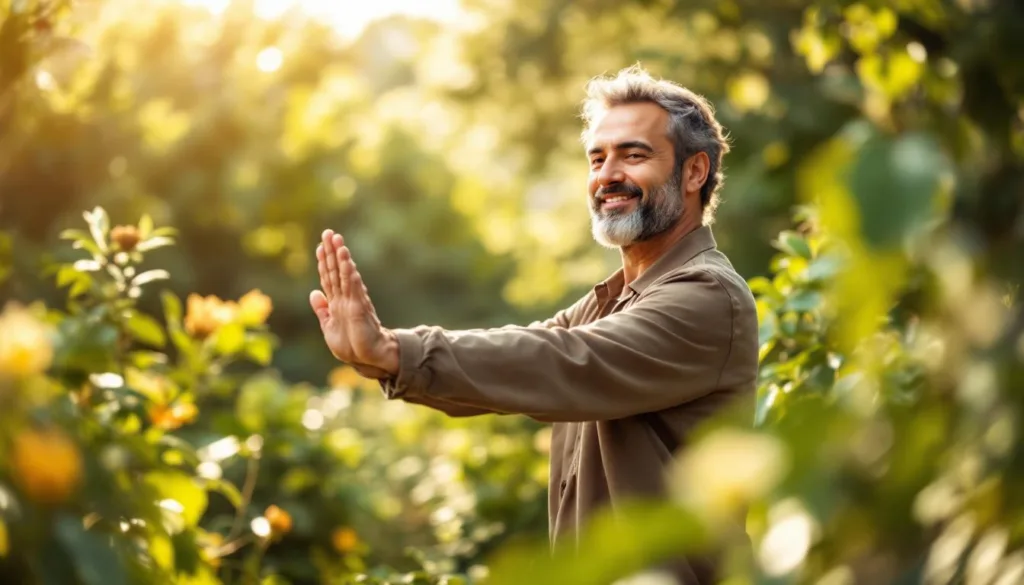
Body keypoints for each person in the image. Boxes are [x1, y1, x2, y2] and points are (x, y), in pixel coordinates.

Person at [309, 65, 758, 584]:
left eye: (633, 155)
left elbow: (562, 364)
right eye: (597, 157)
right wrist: (376, 358)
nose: (607, 174)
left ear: (694, 172)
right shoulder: (612, 302)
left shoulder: (706, 297)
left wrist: (393, 350)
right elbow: (514, 368)